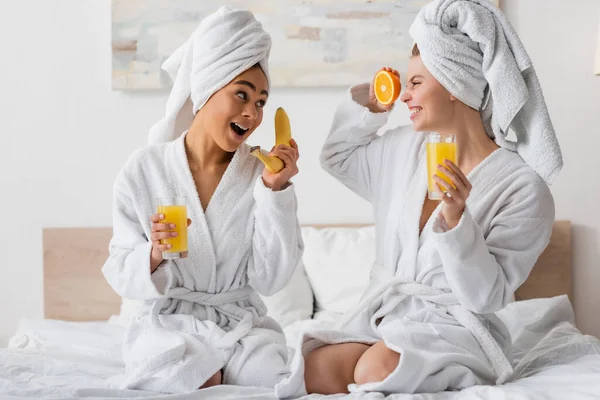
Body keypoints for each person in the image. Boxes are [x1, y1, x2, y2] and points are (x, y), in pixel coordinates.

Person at [275, 0, 560, 396]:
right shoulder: (403, 149)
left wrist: (458, 220)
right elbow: (337, 158)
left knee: (375, 369)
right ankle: (376, 353)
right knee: (314, 371)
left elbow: (487, 296)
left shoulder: (523, 188)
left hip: (457, 327)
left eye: (416, 83)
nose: (404, 97)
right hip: (386, 314)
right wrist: (371, 109)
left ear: (455, 85)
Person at [102, 6, 303, 393]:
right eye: (241, 95)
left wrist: (276, 193)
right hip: (168, 323)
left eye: (261, 101)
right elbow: (118, 267)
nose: (252, 113)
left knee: (273, 383)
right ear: (207, 89)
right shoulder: (145, 170)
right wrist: (154, 254)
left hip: (239, 324)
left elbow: (271, 279)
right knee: (191, 376)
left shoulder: (259, 174)